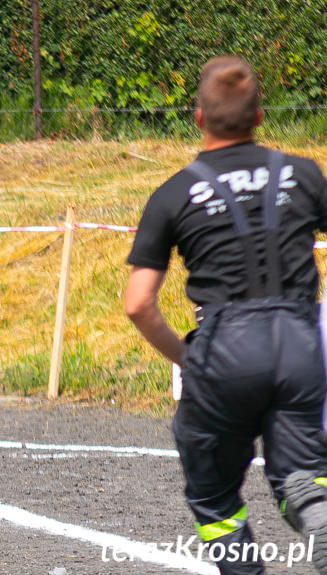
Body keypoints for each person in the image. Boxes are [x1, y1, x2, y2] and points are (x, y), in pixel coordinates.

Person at [124, 55, 327, 574]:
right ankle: (316, 511)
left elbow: (138, 303)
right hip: (302, 343)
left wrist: (187, 357)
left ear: (198, 118)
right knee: (304, 474)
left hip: (226, 346)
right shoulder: (304, 175)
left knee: (213, 497)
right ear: (260, 116)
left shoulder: (172, 194)